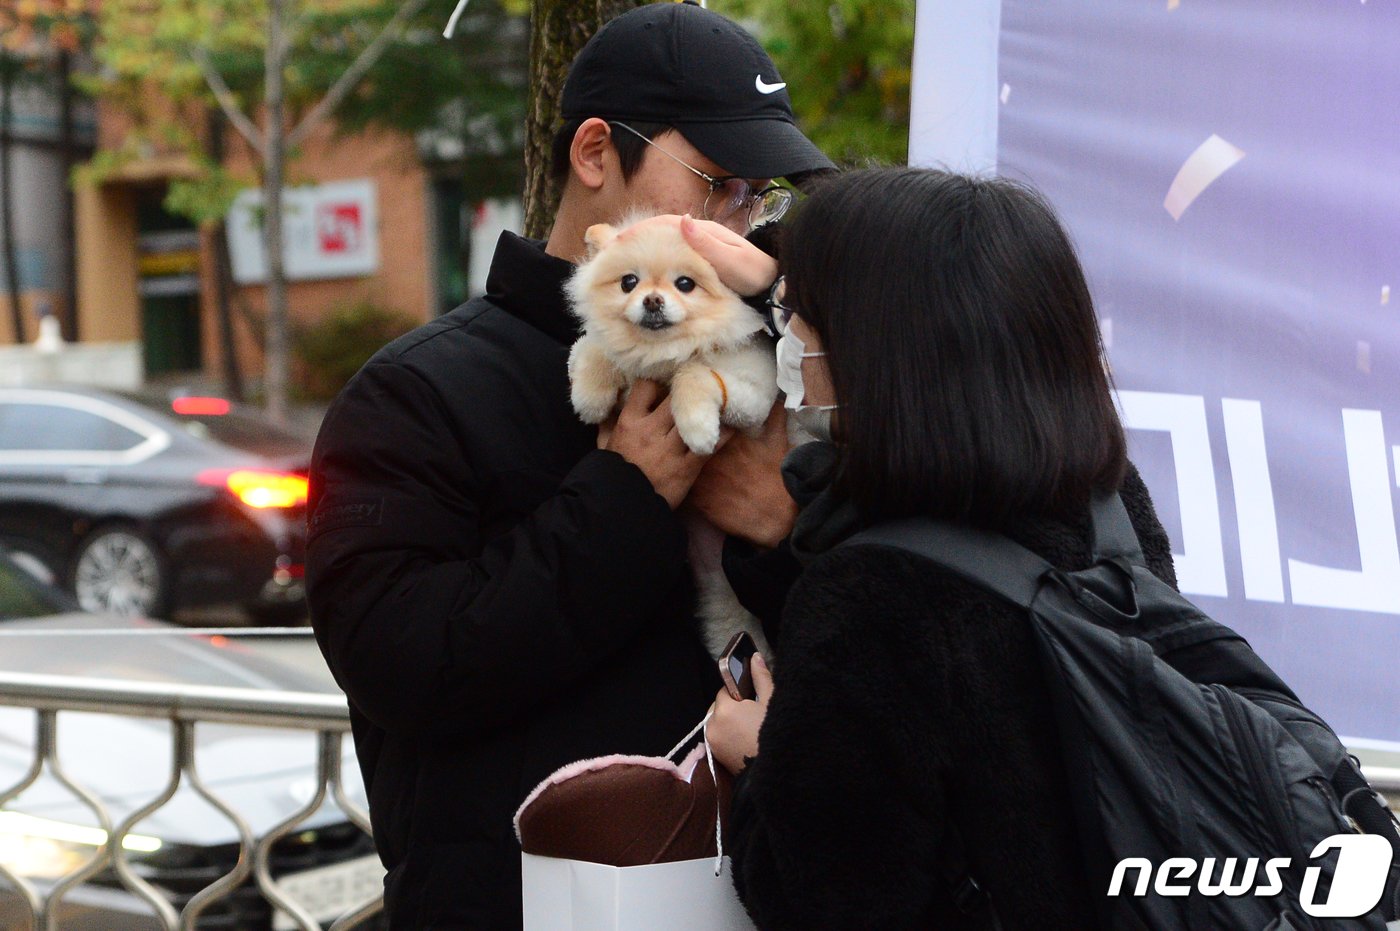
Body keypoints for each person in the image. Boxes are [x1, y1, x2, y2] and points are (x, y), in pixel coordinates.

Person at [303, 3, 833, 927]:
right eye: (716, 181)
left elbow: (864, 637)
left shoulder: (788, 365)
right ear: (595, 155)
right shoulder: (415, 395)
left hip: (755, 889)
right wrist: (624, 497)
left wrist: (789, 533)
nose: (736, 223)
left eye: (759, 194)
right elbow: (403, 665)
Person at [703, 168, 1181, 929]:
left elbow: (822, 898)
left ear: (884, 349)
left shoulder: (873, 593)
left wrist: (763, 762)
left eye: (806, 316)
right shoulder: (1110, 500)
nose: (789, 340)